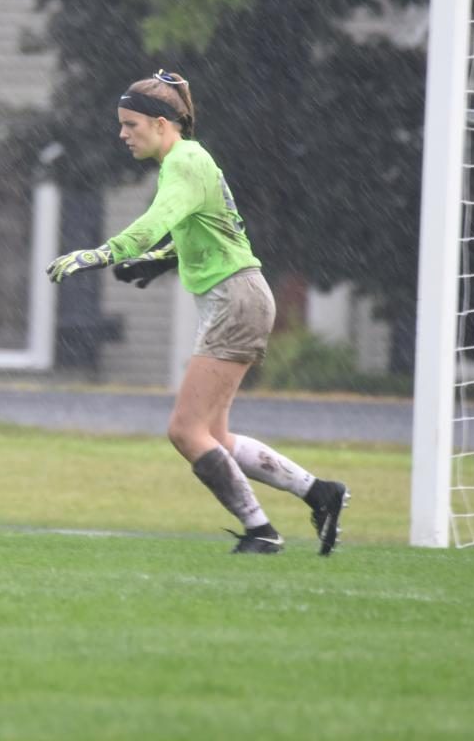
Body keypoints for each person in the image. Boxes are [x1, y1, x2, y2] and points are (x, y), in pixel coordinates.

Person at [46, 69, 349, 555]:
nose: (123, 134)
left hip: (236, 300)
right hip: (236, 297)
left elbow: (157, 221)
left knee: (185, 431)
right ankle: (320, 493)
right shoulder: (191, 160)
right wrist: (159, 262)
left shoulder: (183, 163)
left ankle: (261, 532)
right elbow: (211, 232)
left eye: (131, 125)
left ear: (163, 124)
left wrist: (104, 253)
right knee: (215, 437)